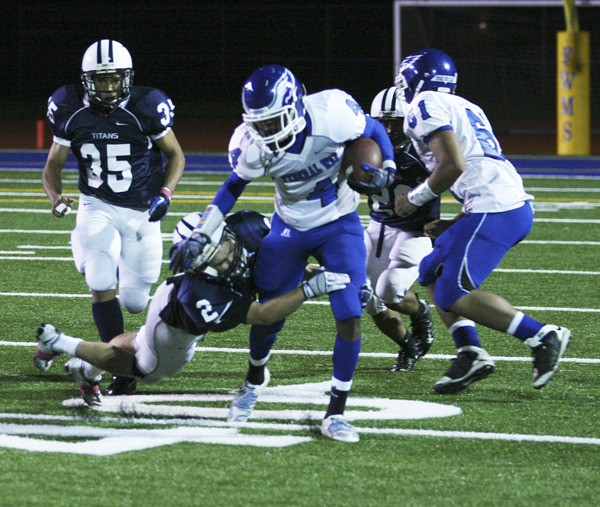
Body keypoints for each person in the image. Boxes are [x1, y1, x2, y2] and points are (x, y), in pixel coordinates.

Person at [169, 64, 396, 442]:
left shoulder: (333, 113)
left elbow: (371, 129)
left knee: (350, 312)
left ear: (295, 107)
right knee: (267, 314)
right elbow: (230, 190)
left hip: (339, 222)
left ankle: (336, 412)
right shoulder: (251, 144)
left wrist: (386, 166)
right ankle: (255, 378)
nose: (267, 131)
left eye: (274, 121)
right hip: (289, 227)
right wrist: (202, 234)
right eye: (260, 123)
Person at [35, 210, 351, 407]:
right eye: (209, 260)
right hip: (177, 321)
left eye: (221, 250)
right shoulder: (203, 293)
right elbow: (263, 314)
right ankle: (64, 344)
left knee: (139, 341)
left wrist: (304, 270)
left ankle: (86, 368)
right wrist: (309, 290)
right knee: (148, 369)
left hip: (167, 300)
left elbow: (283, 254)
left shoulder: (250, 226)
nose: (223, 260)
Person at [394, 48, 571, 393]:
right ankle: (469, 352)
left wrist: (414, 199)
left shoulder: (423, 105)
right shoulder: (466, 106)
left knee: (451, 291)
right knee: (431, 269)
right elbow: (478, 167)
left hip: (496, 207)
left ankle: (541, 335)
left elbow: (455, 164)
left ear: (414, 81)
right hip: (496, 202)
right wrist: (457, 220)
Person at [37, 39, 186, 396]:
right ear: (87, 80)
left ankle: (106, 258)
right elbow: (52, 165)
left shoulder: (147, 106)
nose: (108, 86)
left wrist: (165, 194)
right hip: (96, 205)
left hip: (140, 210)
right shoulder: (69, 107)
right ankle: (119, 368)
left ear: (127, 78)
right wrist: (55, 196)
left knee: (135, 301)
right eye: (101, 80)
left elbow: (176, 156)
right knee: (101, 279)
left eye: (115, 79)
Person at [361, 87, 438, 372]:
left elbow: (458, 181)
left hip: (415, 231)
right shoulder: (365, 148)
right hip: (378, 226)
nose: (390, 128)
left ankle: (422, 314)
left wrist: (454, 223)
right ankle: (409, 346)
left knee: (391, 291)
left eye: (396, 120)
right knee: (367, 299)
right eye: (383, 122)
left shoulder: (426, 152)